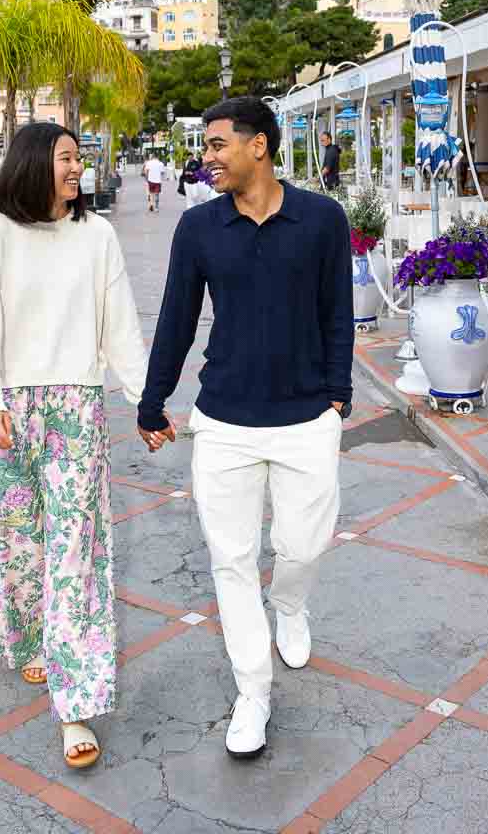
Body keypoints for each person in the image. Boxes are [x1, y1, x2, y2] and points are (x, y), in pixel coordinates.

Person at [137, 97, 354, 761]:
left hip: (306, 418)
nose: (208, 158)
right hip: (224, 420)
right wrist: (153, 401)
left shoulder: (321, 218)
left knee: (302, 545)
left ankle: (290, 603)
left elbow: (337, 312)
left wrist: (337, 395)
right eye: (206, 147)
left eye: (217, 144)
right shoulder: (199, 228)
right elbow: (177, 317)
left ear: (259, 145)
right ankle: (252, 692)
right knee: (230, 562)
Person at [0, 122, 161, 771]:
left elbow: (119, 324)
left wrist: (146, 399)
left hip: (76, 407)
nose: (79, 168)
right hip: (12, 411)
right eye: (67, 158)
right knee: (17, 543)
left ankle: (74, 704)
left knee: (77, 554)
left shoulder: (95, 234)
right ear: (32, 165)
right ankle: (27, 640)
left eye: (80, 158)